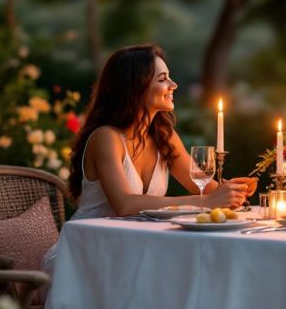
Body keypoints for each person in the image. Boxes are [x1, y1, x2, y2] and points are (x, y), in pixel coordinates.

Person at [42, 44, 253, 273]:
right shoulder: (106, 137)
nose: (173, 85)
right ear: (136, 86)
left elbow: (203, 186)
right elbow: (125, 204)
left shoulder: (163, 136)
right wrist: (206, 202)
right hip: (85, 255)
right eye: (163, 79)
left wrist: (232, 191)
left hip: (133, 250)